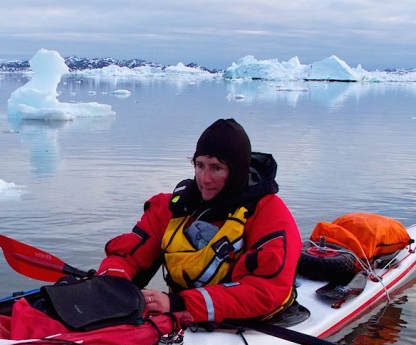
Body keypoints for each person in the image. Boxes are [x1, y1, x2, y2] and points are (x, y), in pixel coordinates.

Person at [97, 118, 302, 324]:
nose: (205, 179)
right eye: (199, 165)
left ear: (237, 171)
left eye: (216, 168)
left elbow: (265, 290)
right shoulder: (173, 206)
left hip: (254, 319)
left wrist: (178, 304)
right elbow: (128, 255)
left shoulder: (270, 213)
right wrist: (113, 281)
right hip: (181, 309)